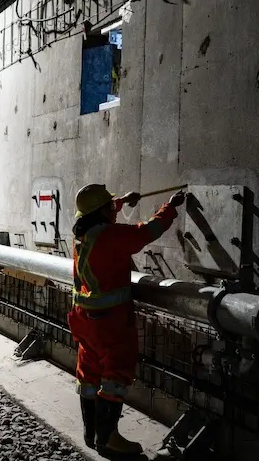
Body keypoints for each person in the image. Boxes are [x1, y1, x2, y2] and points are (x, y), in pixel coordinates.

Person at [68, 184, 185, 456]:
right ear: (102, 211)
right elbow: (147, 231)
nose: (114, 210)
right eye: (111, 207)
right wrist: (170, 207)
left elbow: (99, 214)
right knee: (115, 375)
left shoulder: (83, 234)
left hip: (84, 319)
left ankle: (92, 433)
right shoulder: (111, 235)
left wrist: (120, 201)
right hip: (110, 323)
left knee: (89, 373)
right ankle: (108, 438)